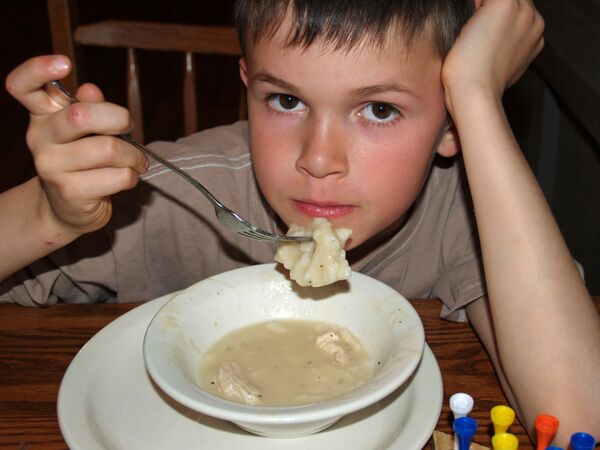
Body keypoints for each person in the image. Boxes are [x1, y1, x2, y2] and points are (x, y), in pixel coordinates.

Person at [2, 0, 599, 445]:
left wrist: (475, 96)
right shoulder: (164, 196)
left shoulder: (464, 214)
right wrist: (45, 215)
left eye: (379, 109)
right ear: (247, 86)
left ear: (449, 123)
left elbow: (580, 419)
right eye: (286, 100)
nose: (318, 158)